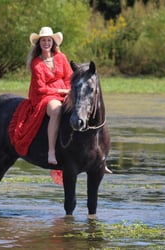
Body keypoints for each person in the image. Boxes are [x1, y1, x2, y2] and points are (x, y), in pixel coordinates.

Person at [9, 26, 112, 174]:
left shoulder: (61, 57)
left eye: (49, 40)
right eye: (43, 40)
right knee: (57, 111)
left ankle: (98, 157)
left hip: (64, 92)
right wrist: (60, 91)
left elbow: (69, 78)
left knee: (82, 109)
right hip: (44, 96)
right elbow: (40, 88)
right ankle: (52, 151)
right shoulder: (36, 63)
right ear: (39, 43)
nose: (46, 43)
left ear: (53, 43)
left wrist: (69, 92)